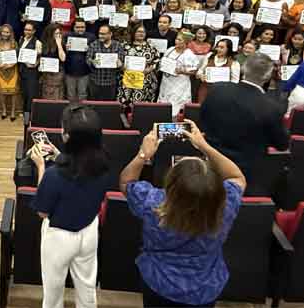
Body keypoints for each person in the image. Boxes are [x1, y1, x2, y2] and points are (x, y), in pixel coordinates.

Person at [119, 121, 246, 307]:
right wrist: (204, 146)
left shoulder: (153, 203)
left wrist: (143, 154)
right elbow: (237, 177)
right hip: (206, 286)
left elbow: (126, 182)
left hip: (159, 283)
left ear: (171, 185)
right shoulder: (225, 203)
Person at [31, 105, 112, 308]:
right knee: (87, 289)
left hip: (59, 237)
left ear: (67, 136)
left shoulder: (54, 175)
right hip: (89, 230)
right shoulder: (104, 163)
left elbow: (42, 211)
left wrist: (41, 166)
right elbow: (80, 167)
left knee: (53, 293)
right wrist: (59, 155)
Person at [200, 53, 289, 173]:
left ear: (243, 68)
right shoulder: (272, 108)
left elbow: (203, 121)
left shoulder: (218, 89)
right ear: (268, 76)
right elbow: (282, 144)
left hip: (211, 164)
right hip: (247, 172)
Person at [157, 31, 199, 117]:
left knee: (175, 107)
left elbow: (193, 71)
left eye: (180, 40)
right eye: (176, 39)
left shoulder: (189, 54)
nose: (177, 41)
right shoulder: (170, 49)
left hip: (180, 84)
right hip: (166, 82)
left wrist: (182, 71)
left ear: (186, 42)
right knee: (164, 105)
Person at [118, 25, 161, 108]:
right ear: (133, 33)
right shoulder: (124, 46)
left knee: (139, 107)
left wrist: (150, 69)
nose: (141, 34)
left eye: (143, 32)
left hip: (143, 81)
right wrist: (121, 66)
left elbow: (157, 61)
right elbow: (119, 60)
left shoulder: (151, 48)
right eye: (139, 31)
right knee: (124, 105)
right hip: (127, 80)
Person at [86, 24, 124, 101]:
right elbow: (88, 59)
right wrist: (92, 62)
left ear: (110, 34)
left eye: (103, 34)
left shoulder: (118, 45)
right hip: (95, 82)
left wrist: (120, 64)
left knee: (108, 107)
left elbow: (122, 64)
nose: (100, 36)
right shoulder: (94, 44)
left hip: (111, 83)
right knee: (94, 106)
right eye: (99, 33)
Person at [196, 38, 240, 103]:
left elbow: (235, 81)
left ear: (228, 49)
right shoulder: (210, 56)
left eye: (222, 47)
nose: (218, 49)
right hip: (205, 90)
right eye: (218, 47)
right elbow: (199, 71)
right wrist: (201, 75)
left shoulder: (234, 63)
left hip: (223, 93)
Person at [63, 19, 95, 102]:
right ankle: (70, 113)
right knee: (70, 95)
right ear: (73, 27)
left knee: (83, 94)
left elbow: (95, 55)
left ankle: (82, 113)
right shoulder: (66, 36)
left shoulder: (91, 37)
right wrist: (65, 49)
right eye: (78, 27)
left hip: (85, 71)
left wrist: (90, 50)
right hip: (69, 71)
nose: (80, 29)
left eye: (82, 27)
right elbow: (61, 55)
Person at [0, 24, 20, 121]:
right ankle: (4, 110)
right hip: (0, 70)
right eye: (3, 32)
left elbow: (18, 57)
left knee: (13, 92)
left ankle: (13, 111)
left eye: (7, 32)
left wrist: (11, 65)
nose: (5, 34)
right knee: (1, 92)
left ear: (11, 33)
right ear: (0, 32)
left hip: (12, 70)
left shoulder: (14, 43)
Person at [18, 22, 43, 122]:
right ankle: (25, 114)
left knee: (31, 95)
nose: (27, 32)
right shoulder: (21, 40)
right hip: (23, 70)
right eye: (25, 29)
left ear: (34, 31)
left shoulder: (37, 43)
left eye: (29, 30)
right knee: (25, 94)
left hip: (32, 72)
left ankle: (29, 118)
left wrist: (35, 64)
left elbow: (41, 57)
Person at [39, 24, 66, 100]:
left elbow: (63, 58)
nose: (58, 35)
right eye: (56, 33)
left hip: (57, 73)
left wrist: (59, 44)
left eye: (59, 33)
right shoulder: (43, 43)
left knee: (57, 93)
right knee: (47, 93)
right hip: (46, 73)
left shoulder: (61, 43)